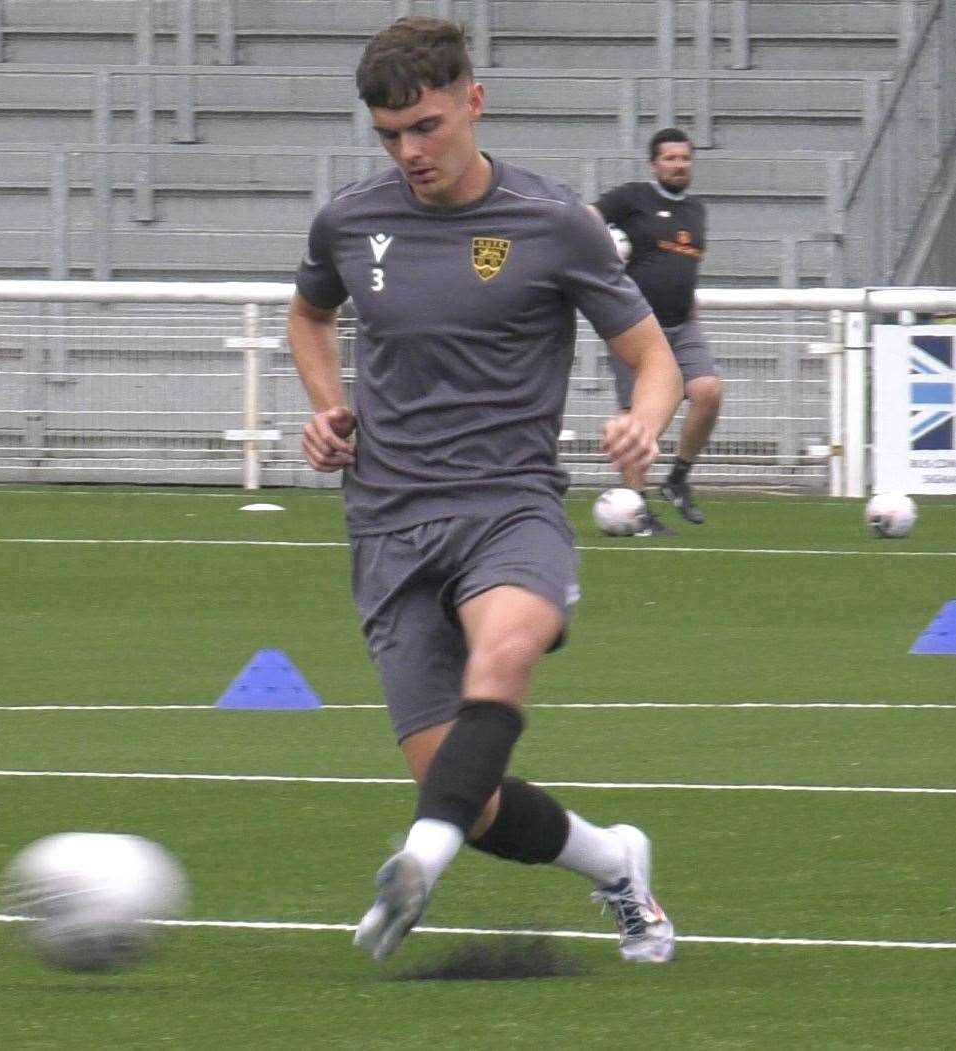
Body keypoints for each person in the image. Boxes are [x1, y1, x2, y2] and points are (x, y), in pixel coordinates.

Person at [287, 16, 682, 965]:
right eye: (388, 136)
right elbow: (308, 313)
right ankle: (615, 862)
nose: (409, 152)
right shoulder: (350, 219)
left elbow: (651, 355)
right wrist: (327, 405)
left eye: (424, 126)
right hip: (386, 522)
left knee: (501, 655)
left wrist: (646, 421)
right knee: (468, 793)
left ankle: (415, 862)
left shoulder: (554, 223)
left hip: (509, 506)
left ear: (473, 100)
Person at [592, 128, 723, 533]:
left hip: (682, 325)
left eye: (684, 158)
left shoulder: (695, 212)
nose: (678, 165)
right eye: (670, 158)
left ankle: (678, 478)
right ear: (654, 164)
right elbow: (586, 218)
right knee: (638, 422)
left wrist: (693, 321)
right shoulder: (632, 199)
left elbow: (686, 273)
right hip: (635, 329)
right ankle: (637, 509)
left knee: (708, 392)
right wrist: (603, 248)